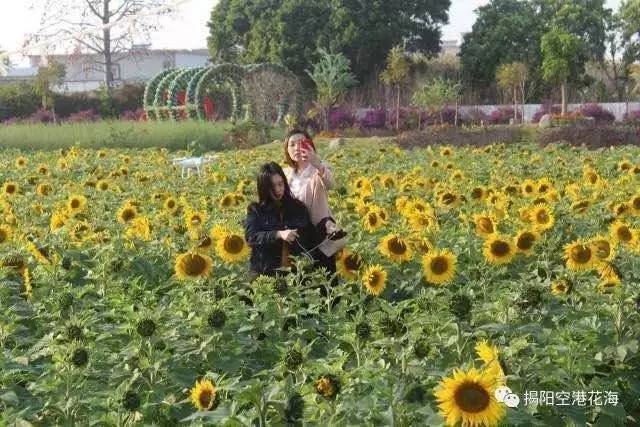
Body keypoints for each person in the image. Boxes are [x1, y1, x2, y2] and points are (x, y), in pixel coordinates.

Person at [244, 162, 323, 280]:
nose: (277, 190)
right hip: (265, 274)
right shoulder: (256, 210)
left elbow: (311, 237)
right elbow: (251, 237)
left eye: (280, 184)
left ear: (285, 183)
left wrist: (327, 226)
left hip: (297, 275)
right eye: (272, 187)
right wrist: (278, 234)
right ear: (264, 188)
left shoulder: (298, 208)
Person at [283, 129, 342, 278]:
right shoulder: (285, 174)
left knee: (324, 285)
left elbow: (331, 184)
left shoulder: (319, 168)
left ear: (309, 146)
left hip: (319, 237)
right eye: (292, 144)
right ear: (287, 149)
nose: (296, 148)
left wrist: (317, 163)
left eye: (301, 143)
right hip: (296, 241)